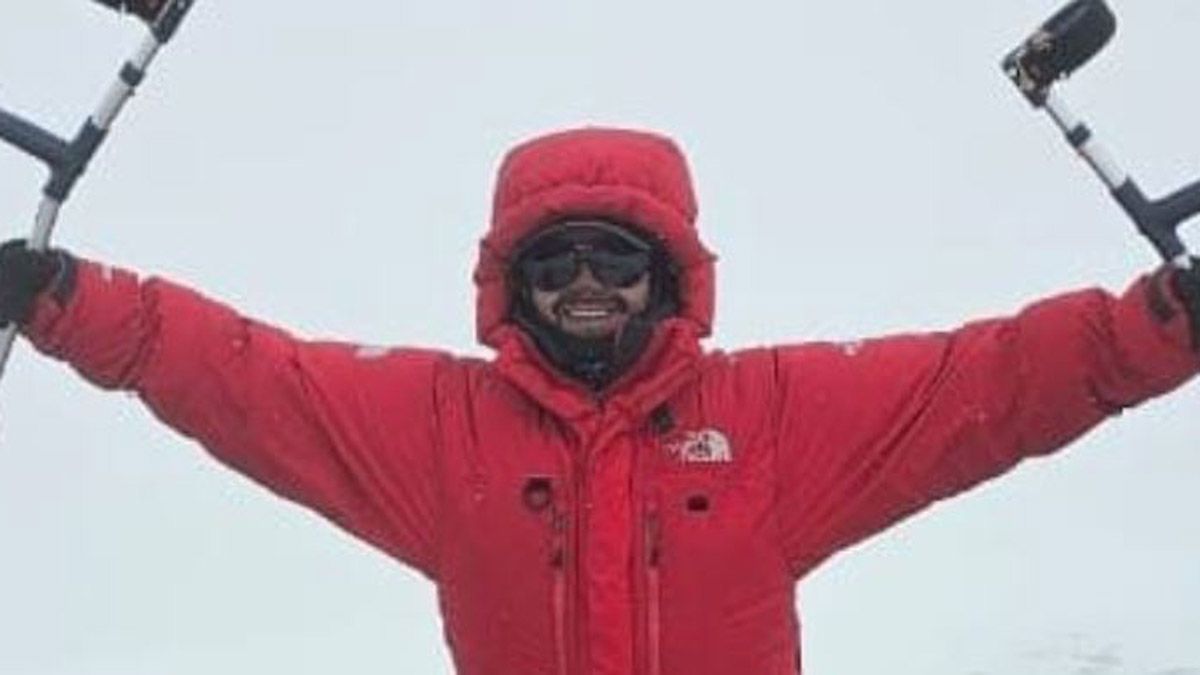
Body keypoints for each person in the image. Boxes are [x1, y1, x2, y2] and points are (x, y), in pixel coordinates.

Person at [3, 6, 1198, 674]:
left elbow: (989, 383)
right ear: (507, 282)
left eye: (615, 259)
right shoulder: (439, 433)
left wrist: (1161, 329)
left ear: (668, 275)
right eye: (552, 260)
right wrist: (65, 299)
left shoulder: (770, 420)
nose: (584, 287)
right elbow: (245, 379)